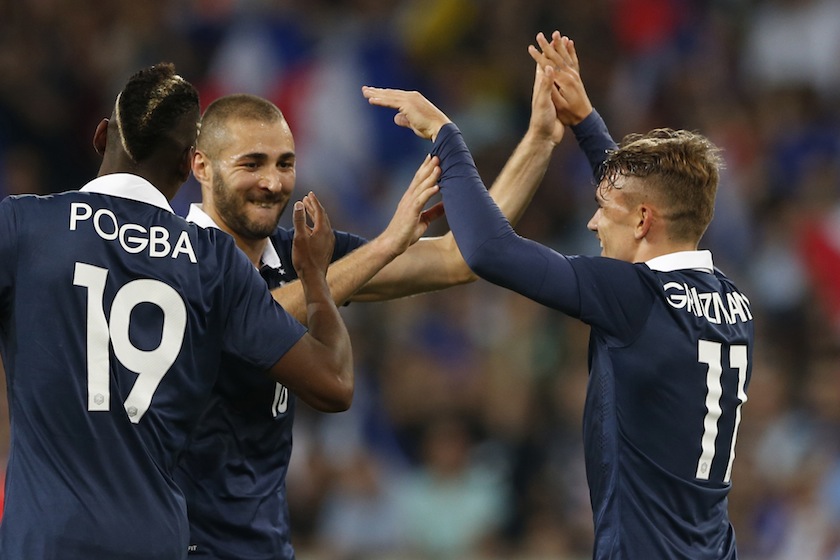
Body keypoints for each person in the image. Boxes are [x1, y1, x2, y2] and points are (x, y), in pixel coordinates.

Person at [173, 37, 605, 560]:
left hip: (263, 545)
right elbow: (239, 321)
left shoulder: (300, 253)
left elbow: (458, 258)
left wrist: (540, 138)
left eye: (285, 162)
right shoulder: (174, 258)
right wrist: (383, 246)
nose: (273, 181)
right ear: (201, 167)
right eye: (252, 163)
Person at [0, 62, 433, 560]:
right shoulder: (212, 260)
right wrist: (315, 280)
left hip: (46, 536)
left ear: (102, 135)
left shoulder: (25, 227)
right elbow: (334, 382)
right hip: (156, 538)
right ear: (190, 164)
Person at [363, 31, 755, 559]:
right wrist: (586, 120)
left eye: (604, 210)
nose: (593, 222)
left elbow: (488, 252)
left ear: (643, 220)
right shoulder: (732, 301)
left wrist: (446, 136)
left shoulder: (634, 295)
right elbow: (642, 205)